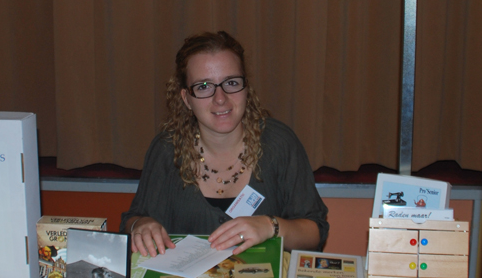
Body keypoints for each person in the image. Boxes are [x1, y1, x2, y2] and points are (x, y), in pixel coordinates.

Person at [121, 31, 328, 257]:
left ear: (246, 88)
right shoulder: (166, 149)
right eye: (203, 86)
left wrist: (271, 226)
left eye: (231, 83)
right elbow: (133, 220)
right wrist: (141, 225)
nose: (220, 98)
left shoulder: (279, 144)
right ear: (186, 99)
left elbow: (315, 233)